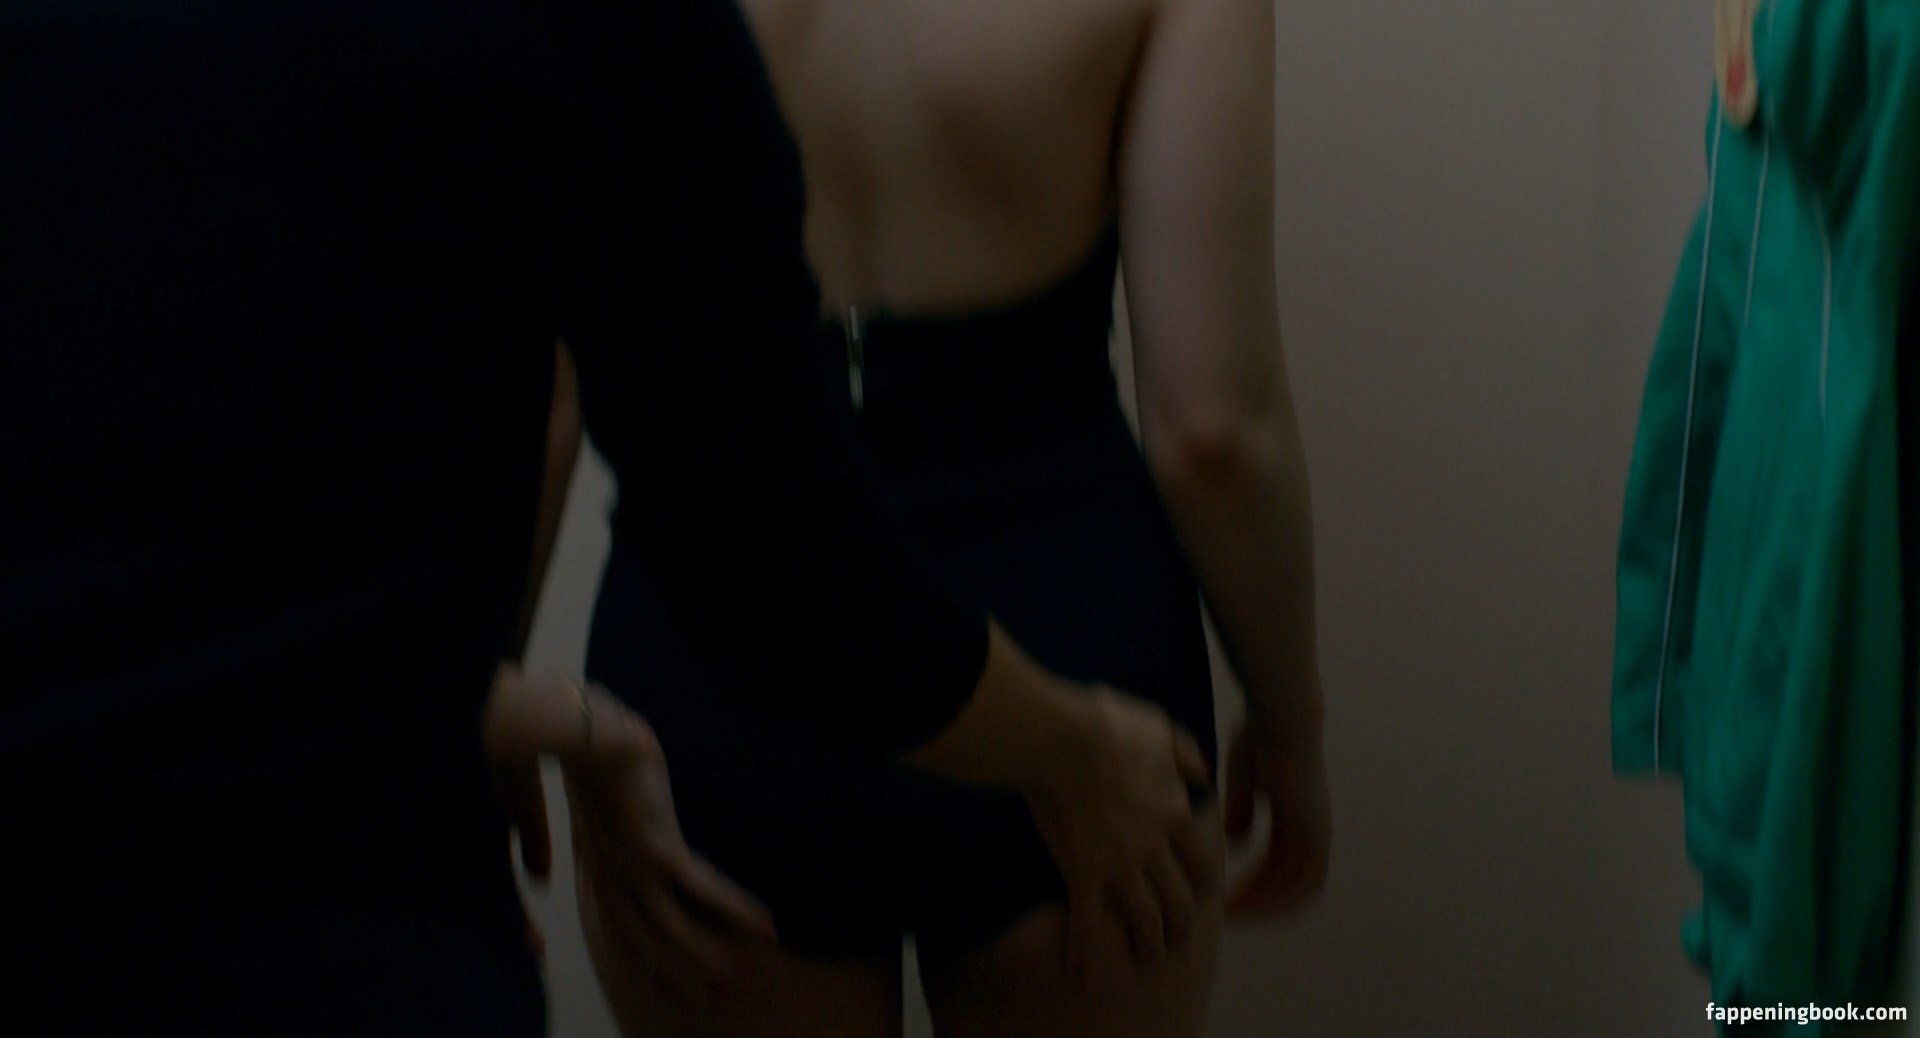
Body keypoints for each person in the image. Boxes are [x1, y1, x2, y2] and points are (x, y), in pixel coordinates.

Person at [0, 0, 1208, 1032]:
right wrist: (1135, 746)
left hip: (694, 719)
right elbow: (1213, 430)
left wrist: (514, 695)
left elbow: (536, 416)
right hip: (1050, 609)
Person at [575, 0, 1331, 1033]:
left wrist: (459, 723)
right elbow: (1214, 435)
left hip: (721, 657)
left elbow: (531, 399)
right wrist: (1289, 727)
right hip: (1070, 647)